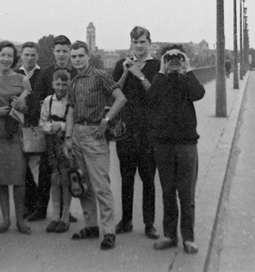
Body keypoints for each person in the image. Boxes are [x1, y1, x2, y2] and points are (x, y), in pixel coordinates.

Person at [65, 41, 127, 250]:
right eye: (73, 57)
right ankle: (91, 225)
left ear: (88, 56)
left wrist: (106, 120)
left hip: (95, 134)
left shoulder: (100, 75)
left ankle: (108, 231)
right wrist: (68, 137)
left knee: (101, 185)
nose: (77, 60)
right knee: (83, 184)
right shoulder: (73, 82)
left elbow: (120, 98)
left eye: (80, 56)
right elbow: (71, 110)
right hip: (77, 136)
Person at [147, 44, 205, 255]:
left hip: (187, 144)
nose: (173, 60)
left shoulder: (186, 80)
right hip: (163, 144)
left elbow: (198, 93)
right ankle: (170, 235)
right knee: (168, 192)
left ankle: (188, 238)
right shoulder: (160, 81)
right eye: (169, 57)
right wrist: (162, 71)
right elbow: (151, 98)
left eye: (177, 57)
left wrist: (187, 68)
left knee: (186, 194)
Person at [111, 26, 160, 239]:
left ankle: (149, 224)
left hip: (149, 130)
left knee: (148, 178)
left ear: (149, 43)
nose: (139, 46)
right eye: (135, 42)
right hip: (126, 129)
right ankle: (127, 220)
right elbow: (114, 92)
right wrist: (125, 72)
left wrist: (139, 75)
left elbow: (157, 95)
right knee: (126, 177)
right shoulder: (122, 64)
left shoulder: (157, 66)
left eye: (142, 42)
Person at [0, 41, 32, 235]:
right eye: (2, 55)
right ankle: (5, 220)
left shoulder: (23, 80)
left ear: (14, 59)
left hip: (15, 132)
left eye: (9, 56)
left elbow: (31, 110)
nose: (5, 59)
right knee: (1, 178)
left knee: (19, 178)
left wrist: (23, 105)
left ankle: (20, 220)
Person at [33, 34, 78, 224]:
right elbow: (38, 98)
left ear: (70, 52)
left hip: (68, 131)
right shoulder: (45, 73)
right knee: (48, 172)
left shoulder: (75, 73)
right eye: (58, 51)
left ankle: (66, 212)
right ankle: (43, 209)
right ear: (53, 52)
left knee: (67, 172)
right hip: (50, 129)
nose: (61, 55)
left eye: (65, 51)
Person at [40, 70, 72, 233]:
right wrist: (49, 128)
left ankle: (65, 215)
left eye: (64, 85)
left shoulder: (70, 101)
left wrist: (62, 126)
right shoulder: (48, 101)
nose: (61, 88)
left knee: (66, 178)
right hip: (52, 142)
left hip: (65, 143)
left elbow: (74, 121)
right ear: (53, 84)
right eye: (58, 84)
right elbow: (42, 122)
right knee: (55, 178)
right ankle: (55, 215)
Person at [18, 42, 47, 221]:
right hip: (20, 126)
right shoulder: (16, 75)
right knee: (24, 167)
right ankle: (30, 203)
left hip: (38, 124)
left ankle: (41, 205)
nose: (29, 58)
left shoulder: (41, 74)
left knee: (40, 167)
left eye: (33, 55)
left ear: (37, 56)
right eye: (26, 55)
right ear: (21, 56)